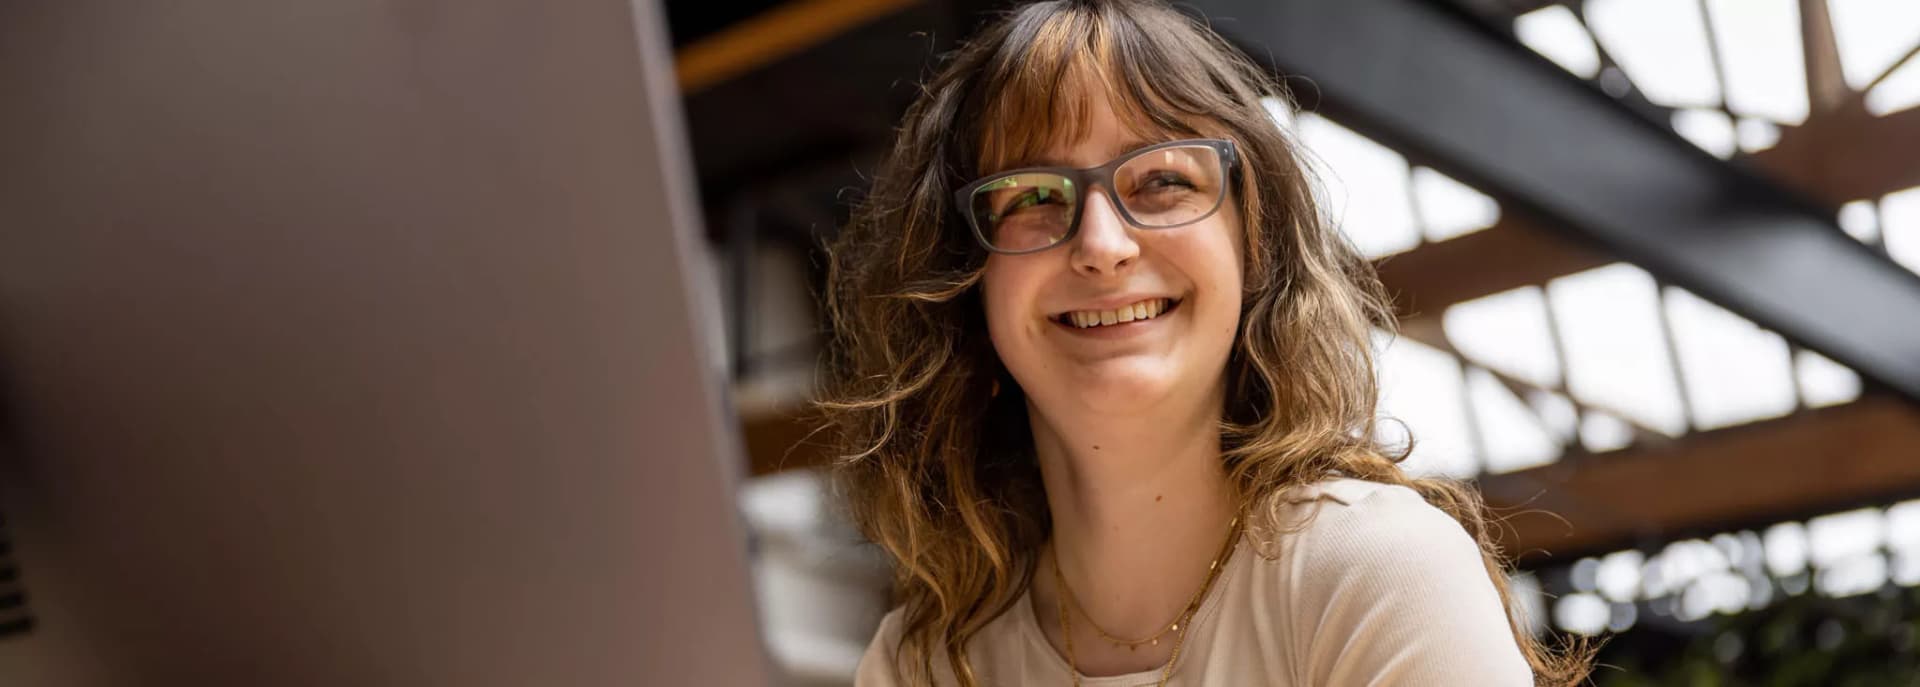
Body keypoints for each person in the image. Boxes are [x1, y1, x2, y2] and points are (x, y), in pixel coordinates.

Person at [817, 1, 1595, 684]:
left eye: (1161, 181)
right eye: (1033, 196)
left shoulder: (1377, 574)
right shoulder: (923, 662)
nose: (1101, 244)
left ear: (1254, 249)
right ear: (966, 282)